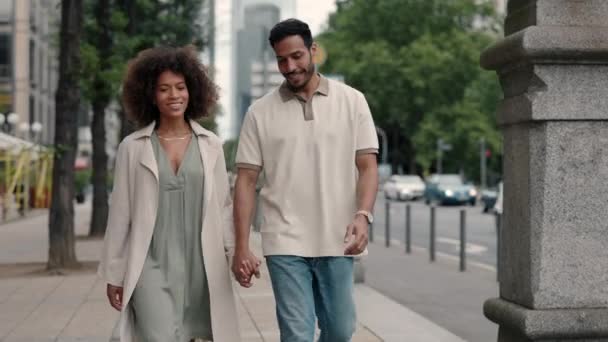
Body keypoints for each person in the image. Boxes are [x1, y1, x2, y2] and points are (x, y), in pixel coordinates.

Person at [232, 19, 379, 342]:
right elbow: (245, 181)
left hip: (338, 239)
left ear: (313, 51)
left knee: (340, 331)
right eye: (282, 60)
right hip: (284, 240)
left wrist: (363, 215)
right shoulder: (259, 112)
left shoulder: (352, 101)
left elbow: (367, 166)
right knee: (296, 335)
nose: (290, 66)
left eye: (297, 56)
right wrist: (241, 246)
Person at [97, 45, 240, 342]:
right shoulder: (132, 147)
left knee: (195, 333)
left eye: (180, 87)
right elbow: (120, 214)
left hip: (202, 260)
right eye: (164, 89)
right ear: (151, 94)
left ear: (193, 90)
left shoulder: (210, 144)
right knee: (157, 334)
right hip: (150, 260)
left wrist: (235, 253)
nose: (174, 96)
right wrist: (114, 273)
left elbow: (223, 207)